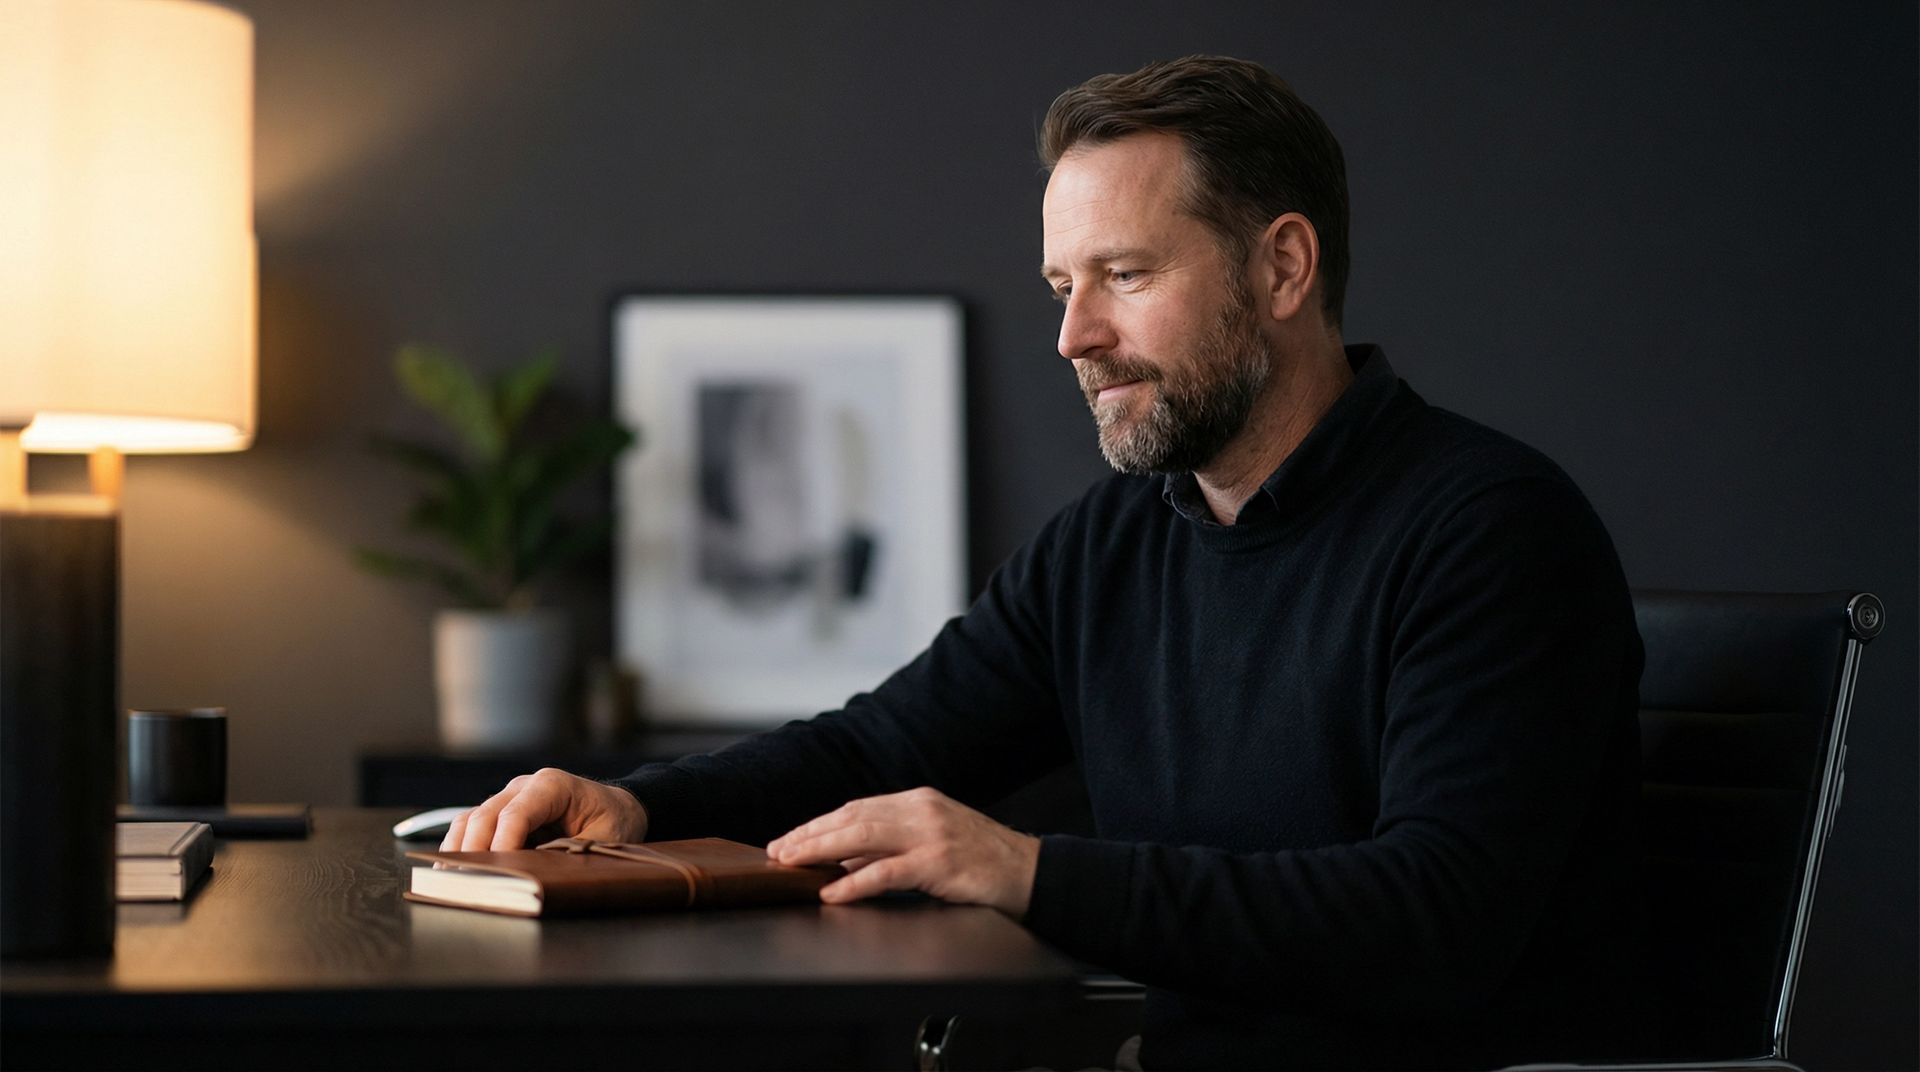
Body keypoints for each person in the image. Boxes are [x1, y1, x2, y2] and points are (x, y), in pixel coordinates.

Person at [444, 55, 1644, 1070]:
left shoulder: (1490, 530)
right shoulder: (1113, 542)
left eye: (1125, 276)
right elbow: (878, 747)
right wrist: (646, 803)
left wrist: (1028, 870)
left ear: (1283, 268)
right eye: (1064, 287)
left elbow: (1431, 921)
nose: (1076, 337)